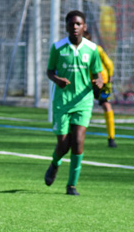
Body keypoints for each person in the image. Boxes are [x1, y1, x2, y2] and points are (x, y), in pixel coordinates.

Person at [44, 11, 103, 196]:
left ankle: (71, 185)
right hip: (62, 101)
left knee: (78, 141)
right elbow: (49, 71)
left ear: (84, 26)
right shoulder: (58, 47)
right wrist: (57, 80)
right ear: (66, 26)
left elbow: (98, 74)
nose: (75, 27)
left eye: (78, 24)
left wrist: (99, 82)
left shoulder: (92, 49)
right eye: (72, 24)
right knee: (63, 144)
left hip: (83, 101)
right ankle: (55, 163)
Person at [83, 30, 117, 148]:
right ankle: (76, 136)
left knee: (106, 105)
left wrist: (110, 76)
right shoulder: (77, 52)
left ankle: (111, 138)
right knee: (81, 108)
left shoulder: (97, 49)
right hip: (87, 85)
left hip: (102, 84)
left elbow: (109, 63)